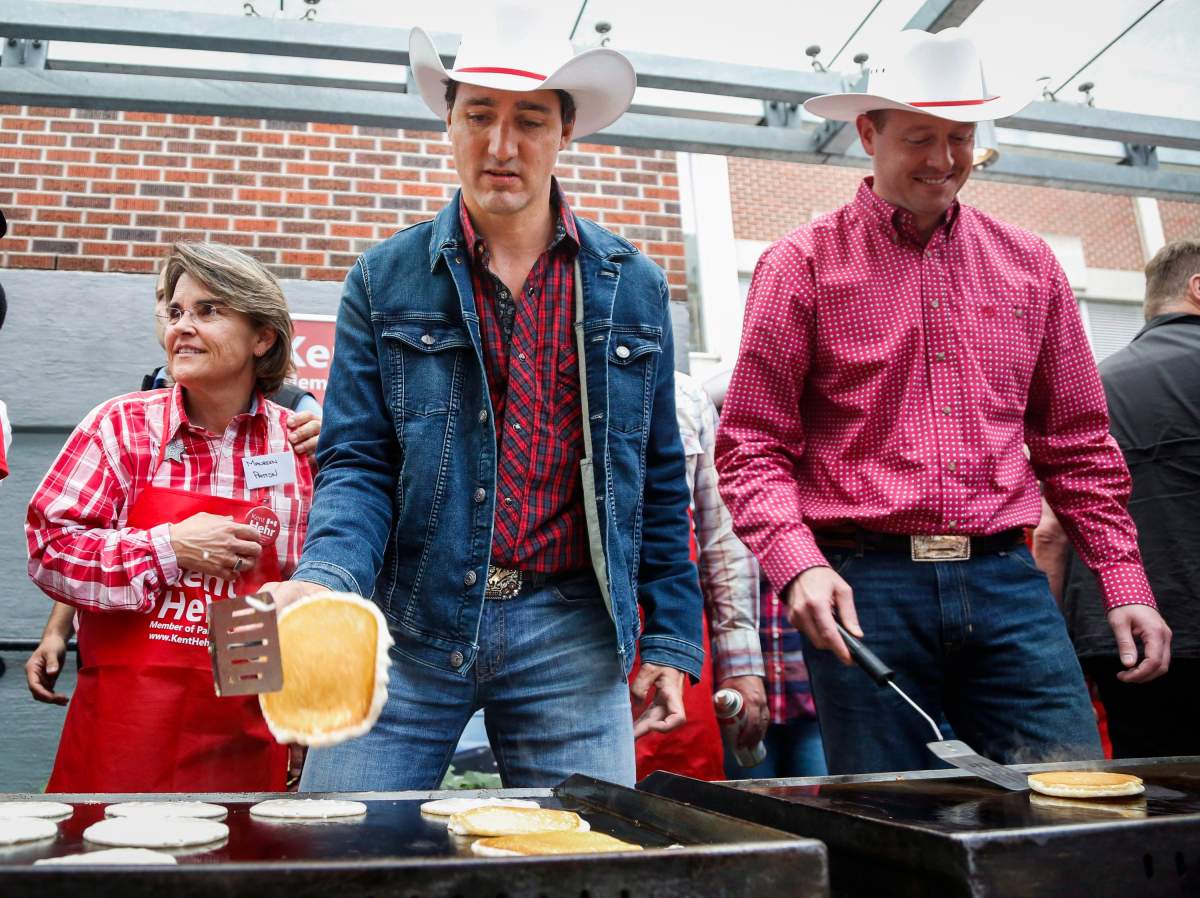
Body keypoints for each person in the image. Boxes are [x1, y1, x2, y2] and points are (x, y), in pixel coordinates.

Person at [263, 13, 702, 791]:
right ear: (450, 122)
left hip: (571, 630)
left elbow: (656, 479)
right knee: (342, 855)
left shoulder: (634, 285)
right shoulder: (383, 278)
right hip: (409, 621)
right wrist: (325, 581)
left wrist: (669, 637)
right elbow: (358, 461)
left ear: (565, 131)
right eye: (479, 117)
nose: (502, 147)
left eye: (529, 120)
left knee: (587, 861)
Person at [714, 28, 1170, 775]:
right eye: (920, 136)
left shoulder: (1030, 266)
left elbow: (1079, 444)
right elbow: (751, 447)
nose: (944, 160)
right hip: (865, 590)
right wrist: (798, 565)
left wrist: (1124, 581)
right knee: (895, 824)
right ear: (868, 131)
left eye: (960, 137)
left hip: (1006, 583)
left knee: (1072, 800)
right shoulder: (800, 266)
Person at [26, 242, 314, 792]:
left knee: (232, 876)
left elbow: (304, 597)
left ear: (263, 337)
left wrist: (299, 712)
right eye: (176, 311)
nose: (182, 326)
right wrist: (169, 547)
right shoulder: (120, 427)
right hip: (121, 732)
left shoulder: (299, 449)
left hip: (243, 737)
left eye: (209, 311)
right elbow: (49, 552)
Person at [1036, 240, 1199, 758]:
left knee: (1152, 799)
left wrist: (1049, 650)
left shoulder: (1093, 388)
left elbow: (1049, 532)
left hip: (1122, 639)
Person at [633, 371, 767, 781]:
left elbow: (721, 545)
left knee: (681, 788)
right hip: (573, 631)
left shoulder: (685, 396)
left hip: (674, 630)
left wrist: (741, 663)